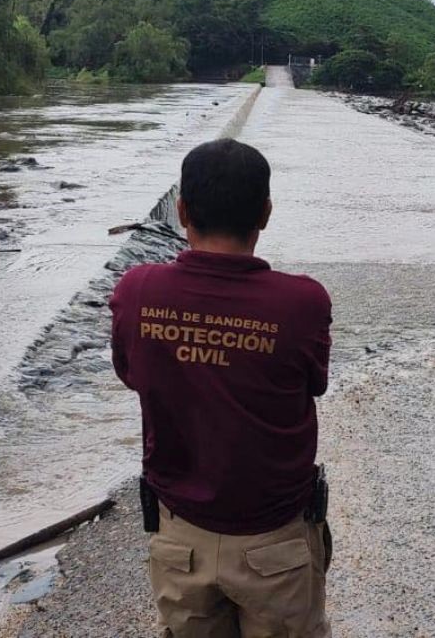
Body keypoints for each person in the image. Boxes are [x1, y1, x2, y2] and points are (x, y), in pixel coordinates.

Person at [109, 138, 333, 638]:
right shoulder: (302, 302)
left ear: (183, 210)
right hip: (274, 539)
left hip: (179, 535)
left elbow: (131, 374)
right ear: (266, 213)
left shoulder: (136, 291)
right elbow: (313, 382)